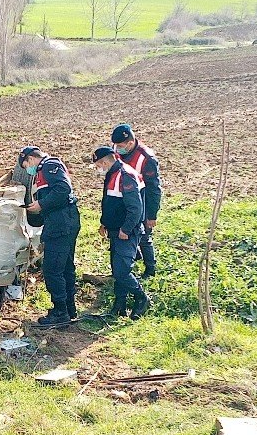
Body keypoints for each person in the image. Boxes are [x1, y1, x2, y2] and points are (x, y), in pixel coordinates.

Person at [19, 146, 81, 326]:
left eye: (26, 165)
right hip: (64, 221)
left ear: (31, 159)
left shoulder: (48, 166)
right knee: (65, 267)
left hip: (61, 224)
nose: (27, 169)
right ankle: (69, 309)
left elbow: (63, 190)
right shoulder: (44, 170)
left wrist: (41, 204)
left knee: (52, 269)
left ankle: (60, 312)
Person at [92, 146, 150, 319]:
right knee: (117, 269)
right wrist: (104, 224)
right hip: (115, 230)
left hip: (126, 232)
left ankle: (142, 298)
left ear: (104, 162)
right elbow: (110, 202)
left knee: (122, 271)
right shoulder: (113, 173)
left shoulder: (125, 175)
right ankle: (119, 306)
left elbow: (135, 208)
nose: (97, 169)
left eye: (97, 165)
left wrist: (126, 229)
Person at [111, 123, 161, 279]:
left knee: (144, 236)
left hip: (141, 203)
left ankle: (150, 269)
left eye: (120, 146)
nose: (117, 148)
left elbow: (154, 189)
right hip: (122, 202)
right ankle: (132, 258)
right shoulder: (116, 152)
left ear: (130, 143)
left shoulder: (146, 158)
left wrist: (151, 215)